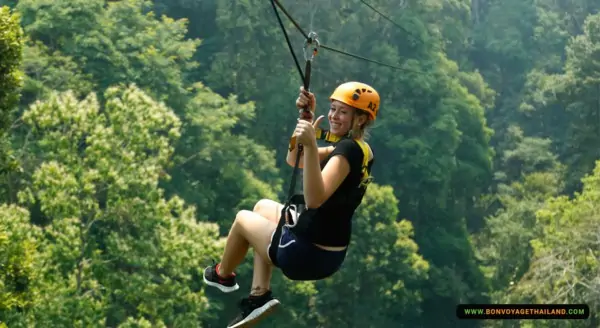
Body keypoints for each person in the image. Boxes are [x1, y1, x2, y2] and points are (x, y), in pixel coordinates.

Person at [202, 81, 379, 328]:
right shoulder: (360, 149)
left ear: (360, 120)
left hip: (306, 253)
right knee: (263, 207)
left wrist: (310, 143)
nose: (333, 116)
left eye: (343, 112)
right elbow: (294, 159)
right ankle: (258, 295)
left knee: (243, 219)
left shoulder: (347, 150)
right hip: (328, 253)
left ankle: (223, 275)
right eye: (333, 109)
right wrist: (304, 123)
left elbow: (315, 199)